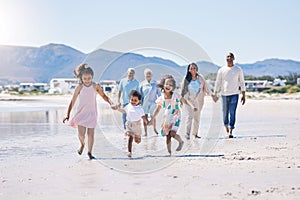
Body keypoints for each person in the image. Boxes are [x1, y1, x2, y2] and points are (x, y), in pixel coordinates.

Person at [63, 63, 117, 159]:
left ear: (92, 77)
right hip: (81, 114)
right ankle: (82, 144)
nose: (87, 81)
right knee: (81, 135)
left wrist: (111, 103)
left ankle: (89, 153)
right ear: (81, 78)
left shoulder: (95, 86)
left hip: (92, 114)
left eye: (89, 78)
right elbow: (72, 101)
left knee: (91, 134)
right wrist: (67, 114)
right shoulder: (79, 87)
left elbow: (104, 96)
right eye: (85, 79)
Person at [150, 74, 193, 156]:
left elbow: (184, 101)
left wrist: (192, 106)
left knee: (172, 134)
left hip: (176, 116)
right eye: (166, 84)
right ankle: (169, 152)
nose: (168, 86)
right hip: (167, 117)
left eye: (170, 85)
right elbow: (157, 109)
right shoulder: (161, 98)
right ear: (163, 85)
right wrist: (152, 118)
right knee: (168, 135)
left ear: (173, 87)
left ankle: (181, 142)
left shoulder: (175, 95)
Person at [212, 52, 246, 138]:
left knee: (232, 112)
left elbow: (242, 82)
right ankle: (227, 130)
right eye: (227, 56)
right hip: (224, 95)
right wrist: (215, 93)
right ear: (225, 58)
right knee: (225, 113)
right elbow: (218, 82)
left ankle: (231, 131)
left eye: (231, 57)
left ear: (234, 58)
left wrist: (243, 94)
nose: (229, 58)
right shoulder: (222, 70)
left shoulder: (238, 69)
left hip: (234, 94)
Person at [181, 63, 214, 140]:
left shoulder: (200, 78)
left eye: (194, 68)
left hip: (199, 100)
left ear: (197, 69)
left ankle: (195, 134)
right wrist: (181, 99)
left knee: (197, 117)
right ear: (189, 70)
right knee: (190, 116)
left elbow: (206, 86)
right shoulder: (186, 79)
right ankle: (187, 133)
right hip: (189, 100)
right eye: (191, 68)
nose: (193, 70)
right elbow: (183, 90)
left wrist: (211, 94)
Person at [116, 90, 149, 158]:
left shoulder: (140, 109)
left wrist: (146, 122)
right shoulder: (128, 106)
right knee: (130, 137)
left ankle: (135, 136)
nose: (133, 102)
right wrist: (118, 109)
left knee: (137, 141)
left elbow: (143, 117)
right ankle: (129, 152)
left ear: (139, 101)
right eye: (132, 100)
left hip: (137, 126)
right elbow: (123, 111)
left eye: (135, 100)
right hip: (129, 124)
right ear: (129, 99)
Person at [139, 68, 161, 136]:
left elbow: (159, 94)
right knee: (144, 117)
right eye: (147, 74)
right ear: (145, 75)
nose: (148, 75)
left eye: (149, 74)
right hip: (144, 102)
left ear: (152, 75)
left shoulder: (155, 83)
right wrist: (139, 102)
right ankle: (145, 132)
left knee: (153, 116)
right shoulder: (142, 84)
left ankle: (155, 129)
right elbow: (140, 94)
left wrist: (159, 101)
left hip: (153, 102)